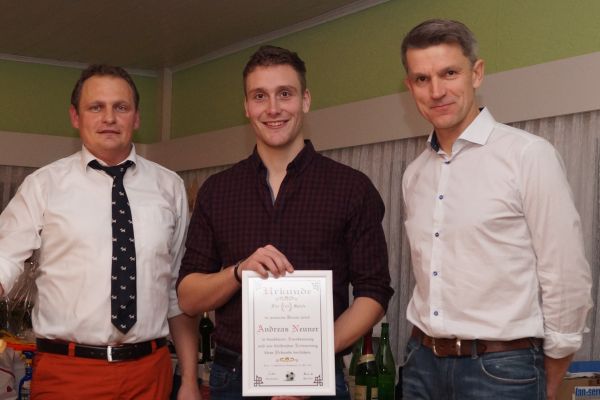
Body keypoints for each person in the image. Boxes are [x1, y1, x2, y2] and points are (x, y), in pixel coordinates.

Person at [177, 45, 394, 399]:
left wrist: (309, 361)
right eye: (259, 96)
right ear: (246, 107)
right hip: (233, 379)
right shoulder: (217, 191)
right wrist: (238, 272)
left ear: (305, 100)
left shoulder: (352, 188)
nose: (273, 108)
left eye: (285, 94)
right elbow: (188, 297)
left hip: (320, 380)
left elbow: (374, 292)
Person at [399, 19, 593, 400]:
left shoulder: (527, 156)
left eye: (449, 73)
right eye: (422, 79)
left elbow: (565, 274)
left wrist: (551, 372)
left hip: (502, 371)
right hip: (420, 364)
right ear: (410, 87)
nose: (436, 91)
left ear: (477, 73)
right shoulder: (414, 174)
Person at [0, 64, 201, 399]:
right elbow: (5, 257)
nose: (109, 118)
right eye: (96, 107)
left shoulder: (170, 187)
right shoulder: (43, 185)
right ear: (75, 117)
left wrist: (191, 380)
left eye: (120, 107)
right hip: (67, 373)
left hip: (150, 373)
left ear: (136, 117)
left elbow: (176, 291)